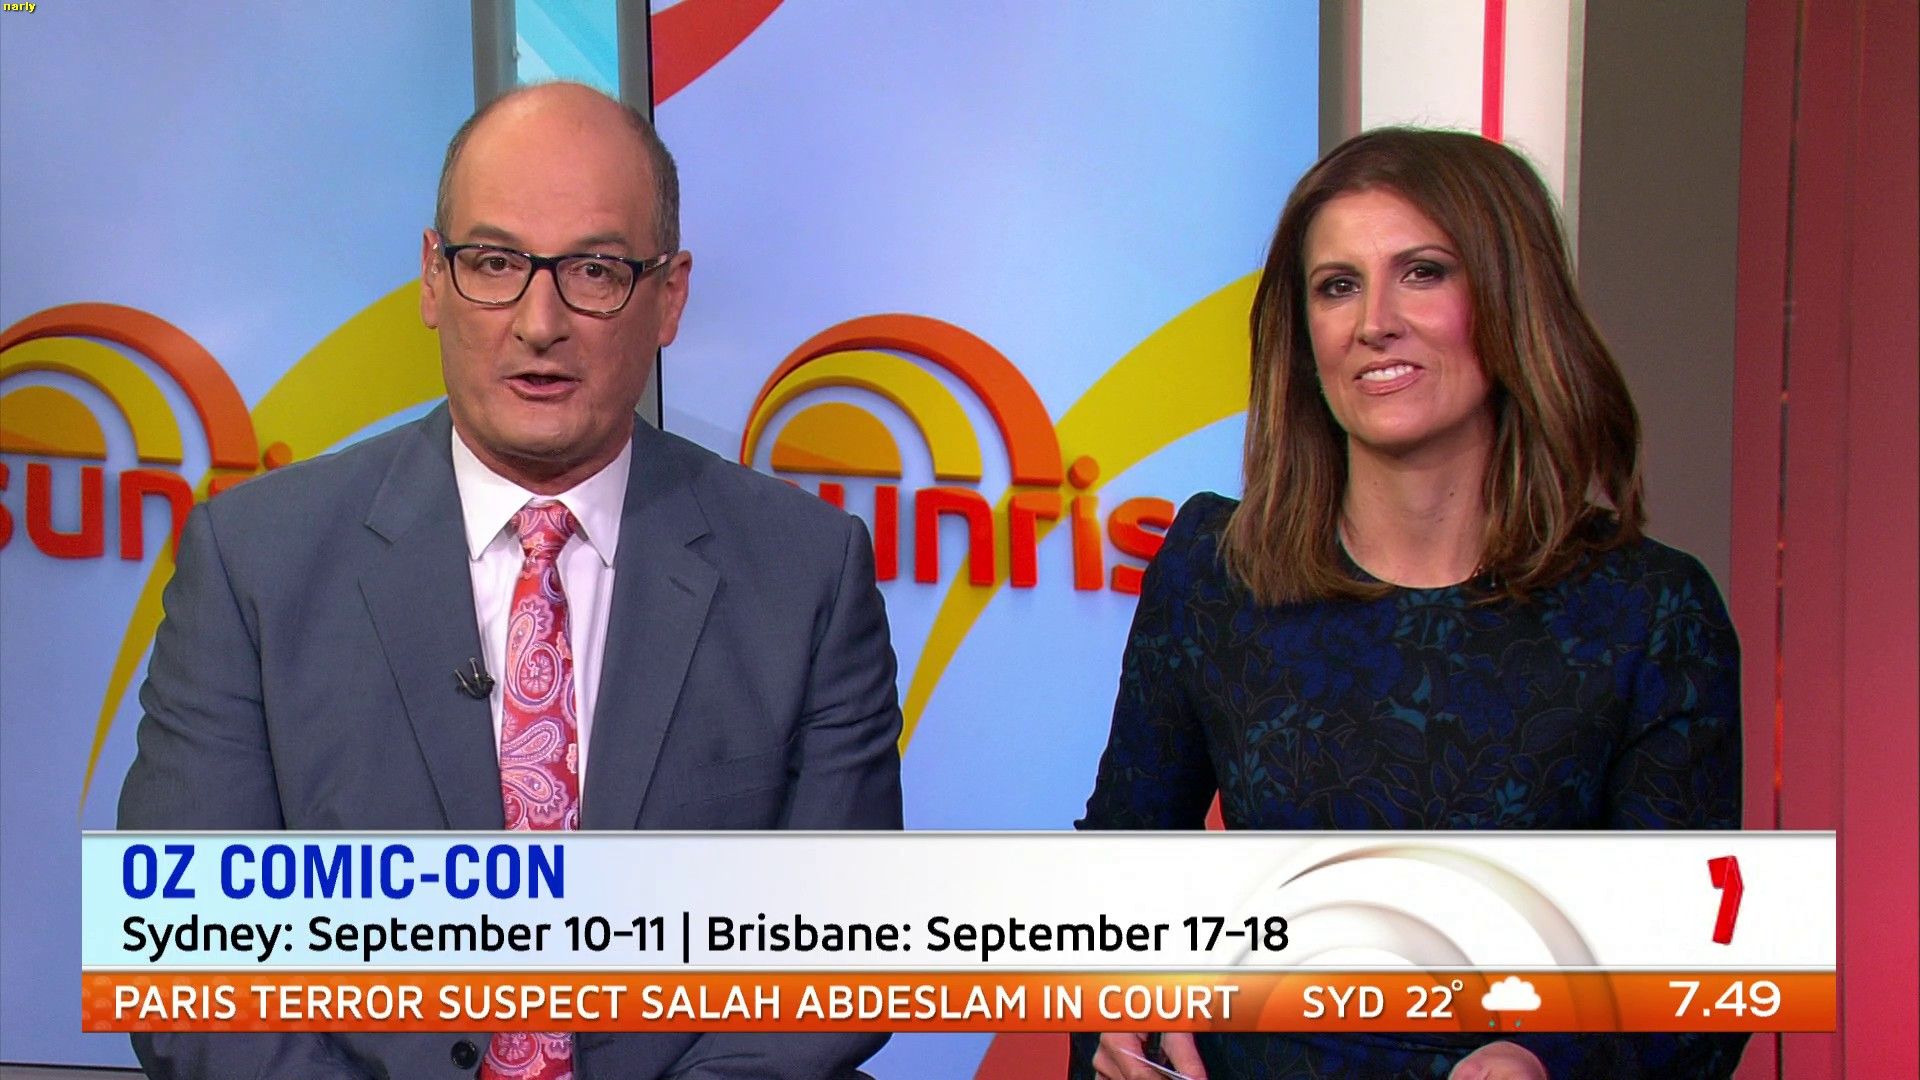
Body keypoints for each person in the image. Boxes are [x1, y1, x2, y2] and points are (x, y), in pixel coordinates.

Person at [118, 82, 903, 1079]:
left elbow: (832, 967)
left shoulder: (807, 572)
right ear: (432, 279)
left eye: (594, 271)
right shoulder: (255, 562)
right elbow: (192, 976)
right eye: (494, 263)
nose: (540, 322)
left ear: (668, 297)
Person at [1071, 128, 1746, 1079]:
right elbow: (1121, 873)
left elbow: (1701, 968)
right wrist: (1122, 1008)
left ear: (1508, 301)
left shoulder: (1651, 612)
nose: (1373, 322)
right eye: (1336, 286)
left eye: (1422, 273)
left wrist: (1545, 1060)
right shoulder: (1216, 570)